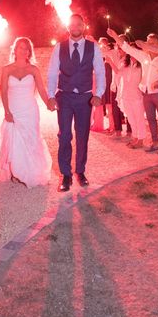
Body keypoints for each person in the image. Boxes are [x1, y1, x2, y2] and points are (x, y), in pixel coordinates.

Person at [47, 14, 106, 192]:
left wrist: (99, 93)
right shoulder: (59, 47)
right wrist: (50, 95)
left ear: (84, 26)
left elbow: (100, 72)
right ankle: (66, 175)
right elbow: (52, 73)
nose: (75, 27)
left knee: (82, 136)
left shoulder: (93, 47)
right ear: (68, 27)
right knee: (64, 135)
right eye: (72, 24)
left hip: (85, 98)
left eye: (79, 24)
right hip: (64, 97)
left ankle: (80, 171)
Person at [0, 37, 52, 187]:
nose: (23, 50)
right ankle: (15, 171)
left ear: (29, 52)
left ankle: (31, 171)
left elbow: (41, 89)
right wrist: (6, 111)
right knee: (13, 140)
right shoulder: (7, 69)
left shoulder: (34, 69)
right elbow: (3, 92)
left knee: (31, 138)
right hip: (13, 109)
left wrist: (48, 103)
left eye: (26, 48)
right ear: (15, 50)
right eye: (20, 47)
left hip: (30, 110)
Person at [121, 32, 158, 153]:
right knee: (150, 119)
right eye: (148, 43)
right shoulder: (144, 56)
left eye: (152, 43)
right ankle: (155, 143)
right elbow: (128, 49)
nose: (149, 46)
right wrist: (114, 37)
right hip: (146, 93)